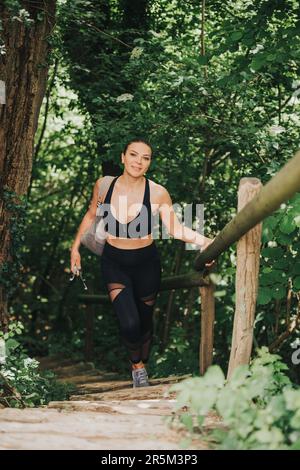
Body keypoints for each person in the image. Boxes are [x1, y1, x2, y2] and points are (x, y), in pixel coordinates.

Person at [70, 139, 215, 388]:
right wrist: (75, 248)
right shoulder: (104, 185)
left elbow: (176, 228)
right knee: (130, 322)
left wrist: (206, 242)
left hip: (146, 264)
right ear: (123, 157)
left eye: (145, 157)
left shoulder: (158, 193)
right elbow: (91, 214)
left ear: (149, 163)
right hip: (114, 262)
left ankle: (143, 359)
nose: (138, 161)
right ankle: (137, 367)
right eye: (134, 155)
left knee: (145, 322)